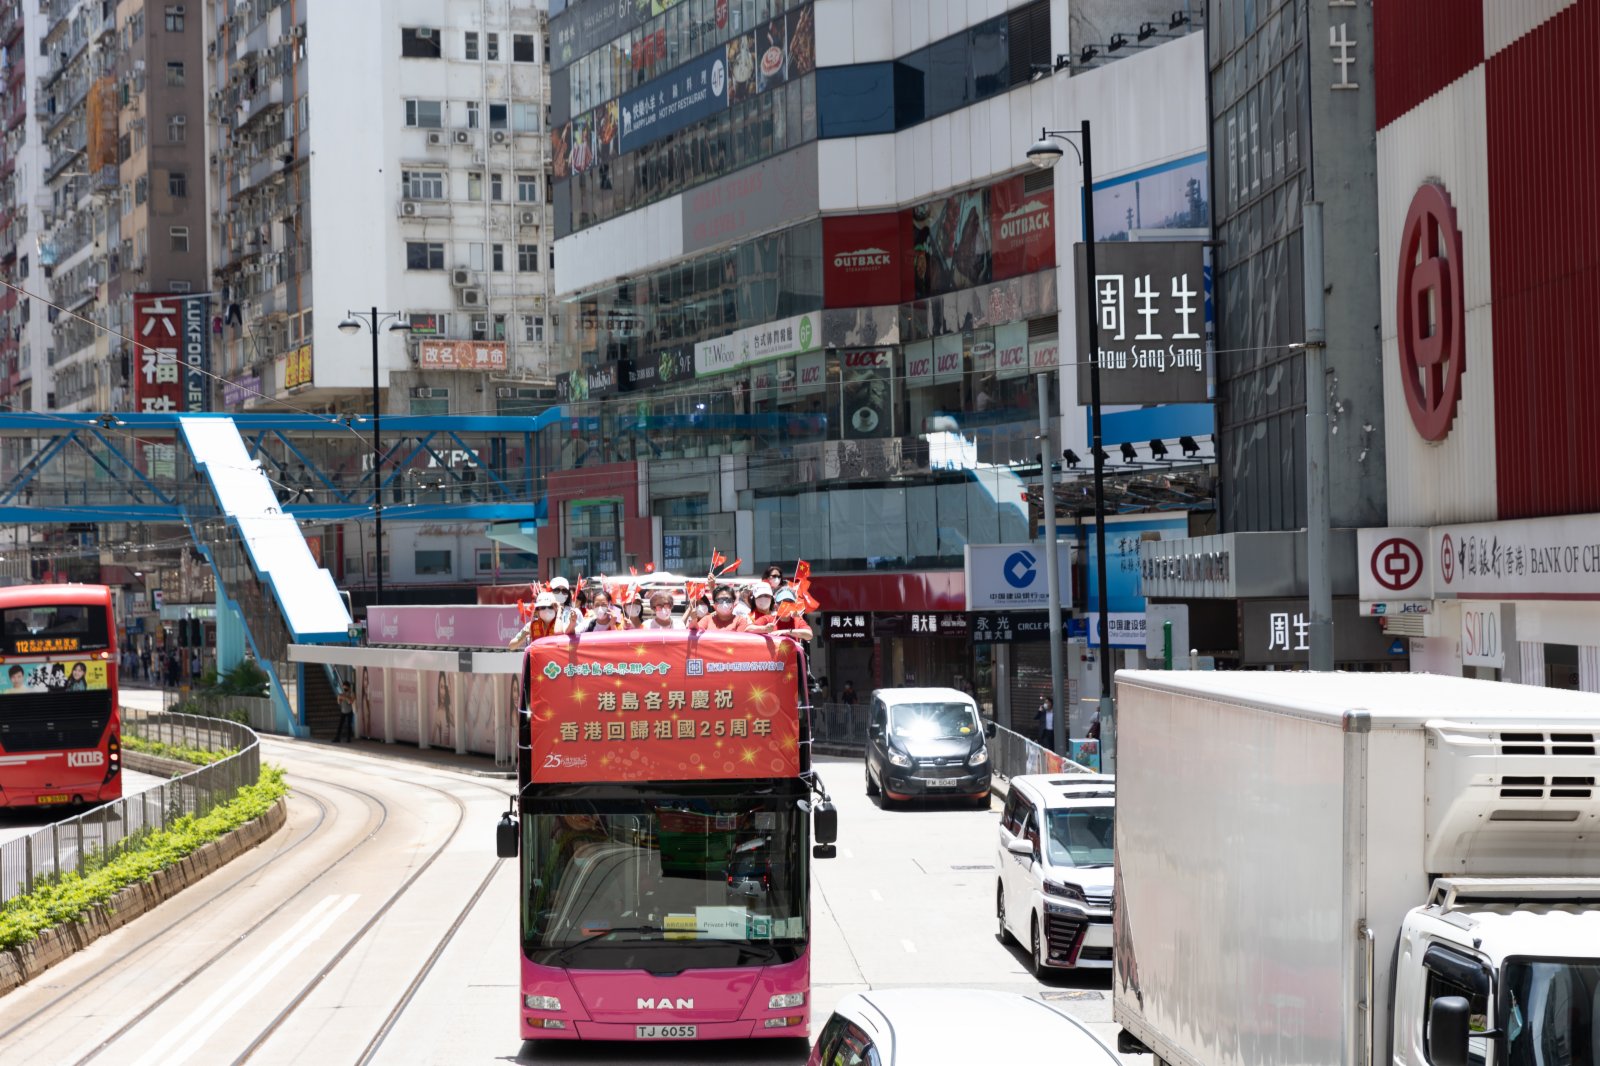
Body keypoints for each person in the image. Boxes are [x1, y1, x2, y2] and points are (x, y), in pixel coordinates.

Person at [333, 671, 356, 743]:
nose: (344, 689)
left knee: (349, 725)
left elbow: (350, 701)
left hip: (349, 711)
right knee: (340, 725)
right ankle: (337, 738)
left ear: (348, 688)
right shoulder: (342, 693)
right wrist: (339, 698)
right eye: (343, 688)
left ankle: (348, 739)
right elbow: (339, 702)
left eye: (345, 688)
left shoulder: (352, 693)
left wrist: (345, 697)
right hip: (343, 711)